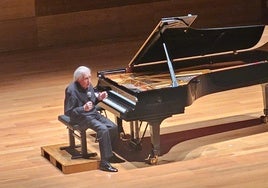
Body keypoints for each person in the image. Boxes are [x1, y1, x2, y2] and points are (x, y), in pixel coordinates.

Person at [64, 65, 123, 172]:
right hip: (80, 118)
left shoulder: (88, 85)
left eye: (90, 77)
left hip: (92, 114)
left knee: (113, 127)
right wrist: (83, 109)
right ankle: (104, 163)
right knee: (103, 129)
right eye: (86, 78)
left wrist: (99, 98)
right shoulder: (71, 90)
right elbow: (68, 112)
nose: (89, 81)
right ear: (79, 79)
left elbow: (92, 101)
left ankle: (110, 155)